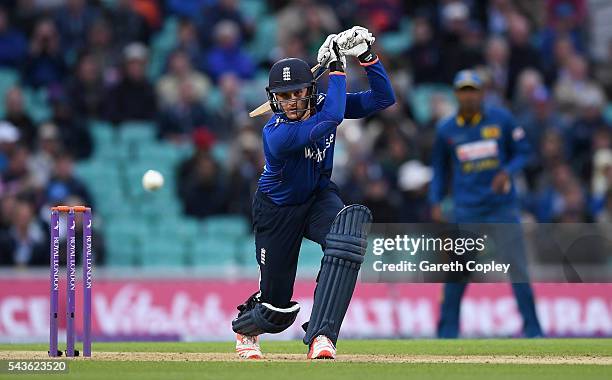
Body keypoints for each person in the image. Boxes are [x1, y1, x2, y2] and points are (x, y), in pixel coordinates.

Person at [231, 26, 395, 359]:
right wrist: (337, 65)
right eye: (285, 95)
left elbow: (383, 98)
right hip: (277, 210)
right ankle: (246, 330)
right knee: (276, 312)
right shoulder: (275, 135)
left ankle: (322, 335)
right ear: (274, 98)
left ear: (309, 90)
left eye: (298, 93)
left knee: (345, 240)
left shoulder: (320, 102)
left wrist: (366, 56)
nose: (292, 102)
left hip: (318, 195)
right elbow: (333, 117)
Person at [429, 70, 543, 338]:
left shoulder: (501, 119)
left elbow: (524, 151)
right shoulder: (446, 129)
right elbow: (439, 170)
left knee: (518, 268)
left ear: (481, 93)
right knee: (458, 272)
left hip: (501, 207)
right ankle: (446, 333)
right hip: (466, 209)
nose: (468, 96)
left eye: (473, 90)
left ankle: (534, 331)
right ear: (457, 95)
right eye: (463, 91)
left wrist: (507, 171)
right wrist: (435, 200)